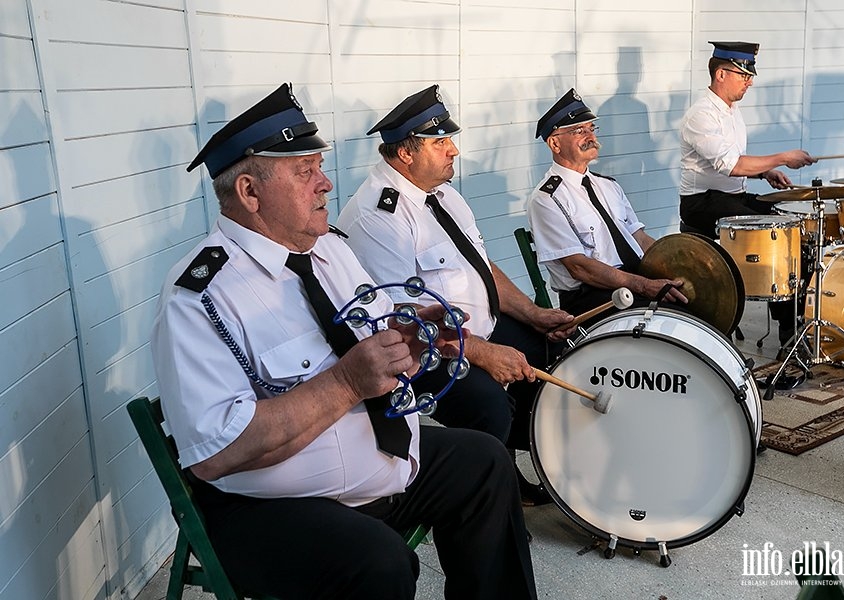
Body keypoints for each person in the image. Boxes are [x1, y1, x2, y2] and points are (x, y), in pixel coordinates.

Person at [150, 83, 537, 600]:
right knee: (379, 563)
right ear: (249, 192)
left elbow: (376, 341)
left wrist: (410, 342)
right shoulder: (201, 295)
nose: (325, 184)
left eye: (319, 167)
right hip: (272, 508)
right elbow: (219, 451)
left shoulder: (330, 251)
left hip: (381, 465)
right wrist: (347, 381)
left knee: (484, 462)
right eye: (304, 171)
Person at [336, 84, 574, 505]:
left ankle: (517, 466)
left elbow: (480, 267)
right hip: (423, 353)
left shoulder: (443, 194)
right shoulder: (378, 215)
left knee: (548, 352)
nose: (453, 151)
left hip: (479, 330)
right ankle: (489, 495)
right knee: (488, 405)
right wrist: (481, 353)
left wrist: (534, 313)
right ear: (405, 153)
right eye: (440, 141)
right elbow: (400, 318)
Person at [679, 41, 817, 344]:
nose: (750, 81)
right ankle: (788, 332)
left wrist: (764, 172)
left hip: (730, 196)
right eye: (744, 75)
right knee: (776, 233)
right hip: (701, 203)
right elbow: (729, 165)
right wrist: (782, 158)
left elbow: (736, 161)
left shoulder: (731, 110)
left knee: (793, 228)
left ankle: (792, 322)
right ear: (721, 74)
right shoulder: (701, 115)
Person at [526, 88, 688, 325]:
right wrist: (644, 285)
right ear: (555, 144)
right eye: (579, 131)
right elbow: (579, 268)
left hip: (633, 280)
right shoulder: (547, 199)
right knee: (674, 314)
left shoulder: (608, 185)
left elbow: (639, 238)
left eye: (592, 129)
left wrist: (678, 267)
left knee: (693, 296)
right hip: (593, 296)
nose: (590, 137)